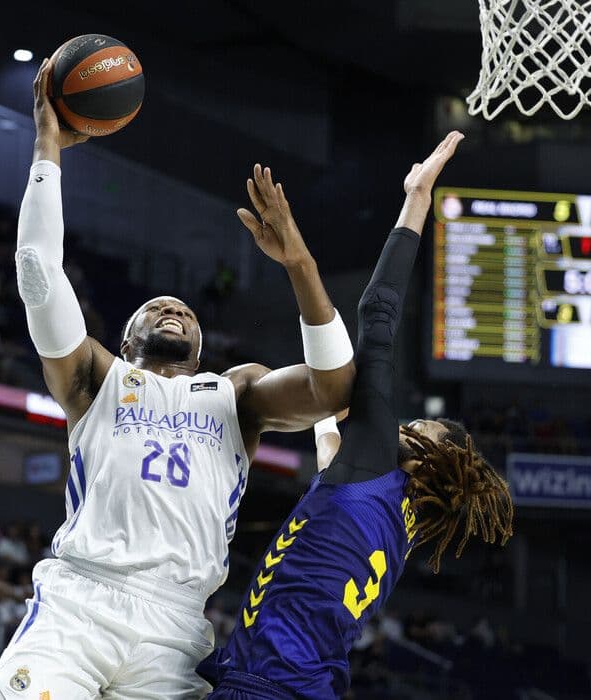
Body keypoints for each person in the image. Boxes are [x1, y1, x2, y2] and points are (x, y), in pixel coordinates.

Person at [0, 59, 355, 699]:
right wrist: (47, 144)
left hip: (176, 631)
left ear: (203, 348)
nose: (172, 307)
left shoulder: (236, 394)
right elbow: (38, 273)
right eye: (154, 307)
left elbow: (335, 390)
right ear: (126, 339)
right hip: (79, 604)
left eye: (184, 310)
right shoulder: (97, 378)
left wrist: (300, 264)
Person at [199, 133, 515, 699]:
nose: (403, 426)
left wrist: (417, 197)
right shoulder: (395, 525)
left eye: (419, 431)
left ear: (431, 460)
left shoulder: (377, 471)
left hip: (266, 686)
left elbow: (378, 313)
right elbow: (329, 454)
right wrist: (327, 406)